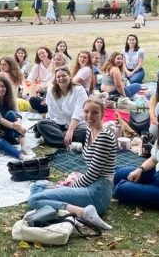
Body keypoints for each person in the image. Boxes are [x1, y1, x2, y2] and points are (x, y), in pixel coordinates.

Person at [28, 98, 116, 230]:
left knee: (34, 200)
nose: (89, 116)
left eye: (95, 112)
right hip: (91, 184)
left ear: (102, 114)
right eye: (86, 111)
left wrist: (65, 188)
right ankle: (72, 212)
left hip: (98, 193)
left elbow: (92, 174)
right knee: (36, 187)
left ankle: (81, 212)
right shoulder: (90, 130)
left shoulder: (104, 136)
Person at [0, 76, 34, 159]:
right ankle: (20, 155)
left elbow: (17, 114)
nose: (0, 89)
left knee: (11, 113)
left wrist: (19, 125)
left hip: (6, 130)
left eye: (3, 86)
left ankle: (24, 145)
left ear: (7, 88)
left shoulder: (10, 98)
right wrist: (18, 128)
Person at [35, 66, 88, 147]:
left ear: (69, 76)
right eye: (58, 77)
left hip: (76, 125)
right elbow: (50, 111)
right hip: (58, 124)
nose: (61, 78)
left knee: (86, 132)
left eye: (64, 76)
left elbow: (79, 112)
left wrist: (70, 131)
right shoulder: (51, 91)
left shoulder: (79, 90)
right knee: (41, 124)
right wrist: (49, 124)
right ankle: (67, 142)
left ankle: (55, 139)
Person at [113, 124, 159, 207]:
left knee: (121, 189)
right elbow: (153, 159)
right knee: (119, 174)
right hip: (155, 173)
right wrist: (140, 169)